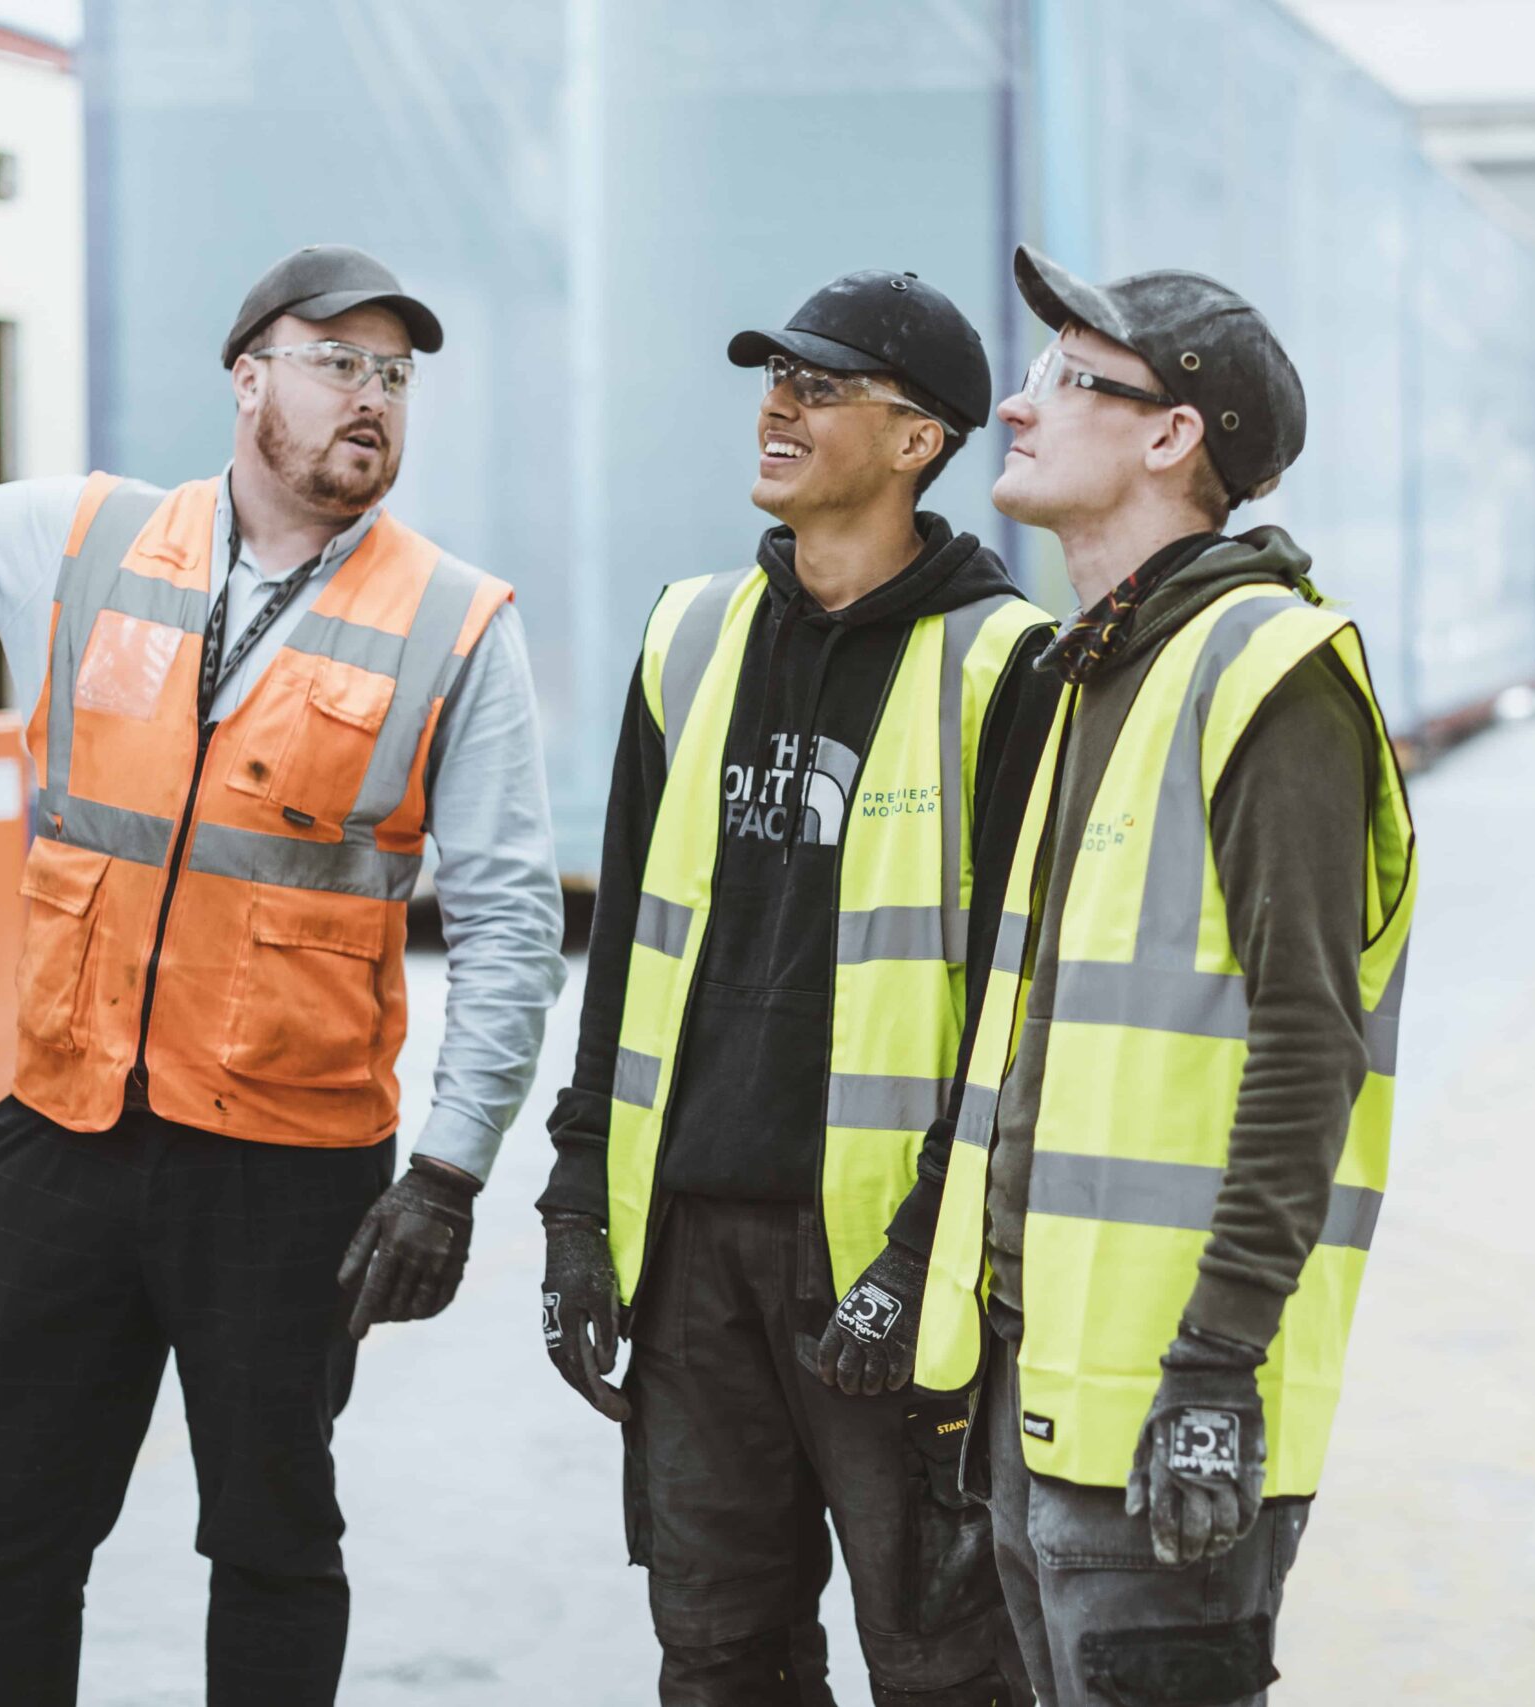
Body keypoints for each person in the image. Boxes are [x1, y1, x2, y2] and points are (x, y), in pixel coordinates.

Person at [0, 133, 566, 1706]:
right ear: (249, 379)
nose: (372, 396)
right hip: (67, 1134)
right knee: (13, 1543)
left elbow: (512, 917)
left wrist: (449, 1171)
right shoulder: (87, 538)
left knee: (272, 1545)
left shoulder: (455, 623)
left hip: (291, 1174)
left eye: (396, 375)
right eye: (336, 362)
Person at [535, 270, 1056, 1705]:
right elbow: (626, 941)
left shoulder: (1006, 667)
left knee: (942, 1664)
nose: (779, 405)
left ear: (918, 441)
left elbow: (1018, 1018)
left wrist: (918, 1261)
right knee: (718, 1655)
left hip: (884, 1262)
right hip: (695, 1248)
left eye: (821, 388)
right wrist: (581, 1207)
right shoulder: (690, 638)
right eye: (774, 378)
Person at [908, 249, 1419, 1707]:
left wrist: (1212, 1375)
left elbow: (1305, 1048)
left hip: (1165, 1416)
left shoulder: (1270, 675)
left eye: (1067, 377)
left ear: (1170, 436)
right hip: (1041, 1398)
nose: (1016, 407)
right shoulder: (1106, 669)